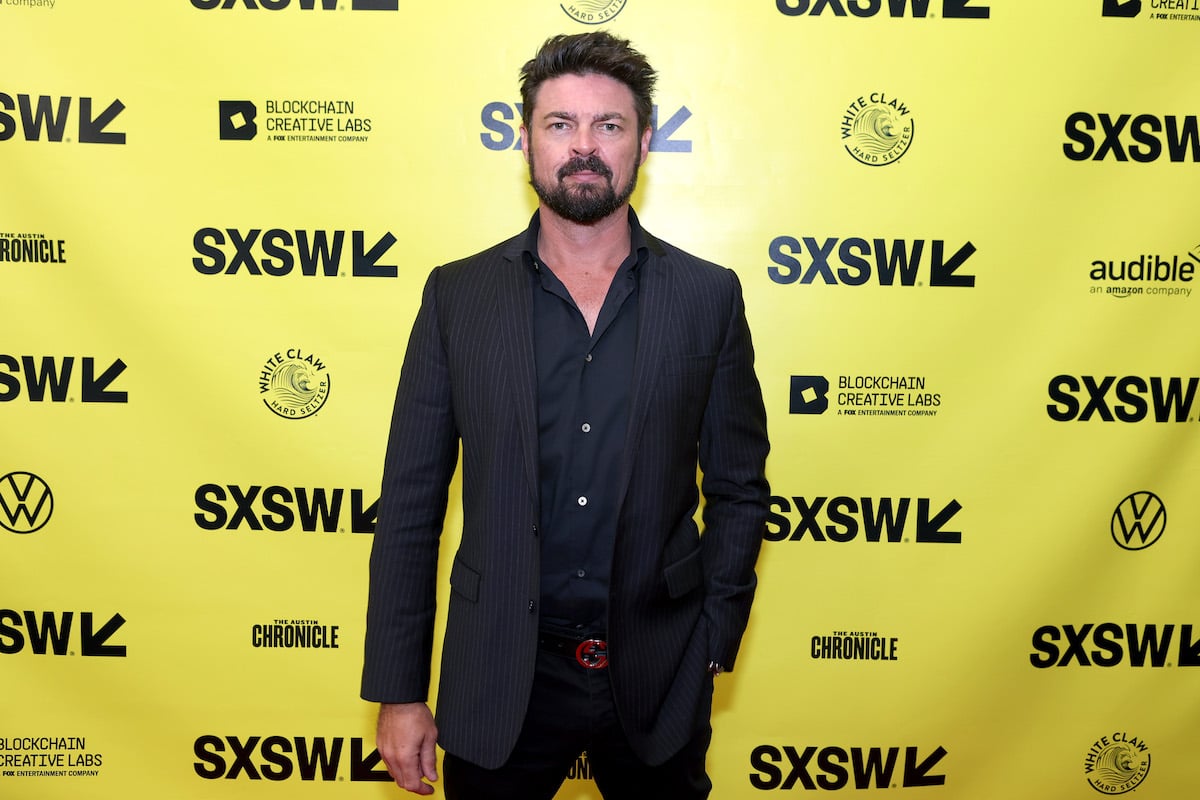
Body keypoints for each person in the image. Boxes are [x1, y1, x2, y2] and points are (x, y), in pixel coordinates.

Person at [361, 31, 769, 799]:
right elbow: (411, 507)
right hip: (498, 677)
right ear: (525, 142)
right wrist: (400, 689)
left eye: (608, 126)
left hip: (659, 674)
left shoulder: (708, 297)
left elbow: (741, 489)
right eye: (561, 125)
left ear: (644, 142)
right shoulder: (459, 298)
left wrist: (711, 637)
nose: (585, 147)